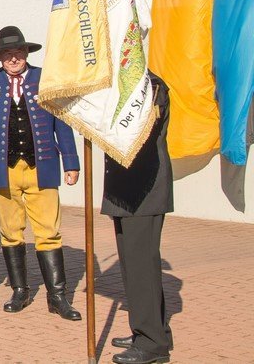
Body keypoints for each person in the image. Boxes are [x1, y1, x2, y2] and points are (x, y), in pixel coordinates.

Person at [0, 25, 81, 320]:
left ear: (26, 52)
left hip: (41, 167)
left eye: (18, 52)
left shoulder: (45, 78)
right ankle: (20, 291)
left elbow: (62, 121)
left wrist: (71, 162)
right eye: (7, 53)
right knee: (10, 233)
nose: (13, 58)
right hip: (3, 170)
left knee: (49, 232)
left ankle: (57, 296)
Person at [104, 73, 174, 364]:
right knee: (135, 269)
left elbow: (140, 129)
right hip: (125, 192)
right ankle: (152, 332)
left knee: (142, 268)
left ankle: (152, 344)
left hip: (144, 190)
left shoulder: (150, 85)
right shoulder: (120, 84)